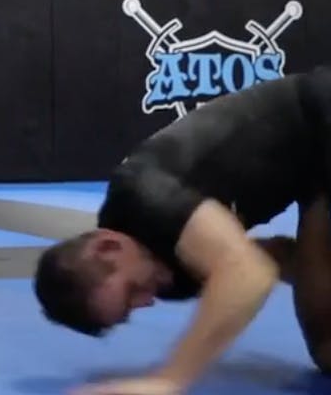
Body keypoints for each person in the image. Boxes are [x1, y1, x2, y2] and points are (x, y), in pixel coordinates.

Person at [32, 67, 331, 395]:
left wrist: (169, 379)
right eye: (130, 310)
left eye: (131, 291)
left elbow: (249, 273)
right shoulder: (173, 280)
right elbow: (277, 259)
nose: (147, 301)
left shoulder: (140, 194)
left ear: (108, 246)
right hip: (314, 178)